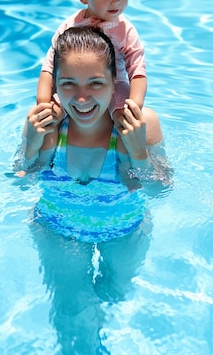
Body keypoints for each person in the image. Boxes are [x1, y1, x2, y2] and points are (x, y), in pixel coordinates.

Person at [16, 25, 171, 242]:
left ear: (114, 80)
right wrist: (32, 145)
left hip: (126, 230)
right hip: (54, 228)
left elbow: (160, 191)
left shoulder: (141, 123)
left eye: (95, 83)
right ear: (55, 84)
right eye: (68, 84)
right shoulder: (44, 124)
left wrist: (139, 153)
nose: (82, 98)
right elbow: (21, 182)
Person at [36, 0, 147, 130]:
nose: (117, 0)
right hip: (75, 87)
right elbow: (49, 67)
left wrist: (134, 106)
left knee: (124, 118)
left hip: (114, 85)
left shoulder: (125, 30)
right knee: (50, 117)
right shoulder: (70, 27)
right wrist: (43, 103)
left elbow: (137, 71)